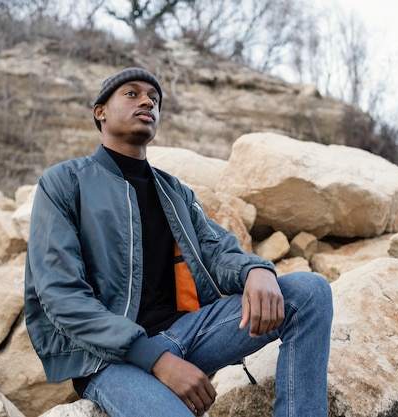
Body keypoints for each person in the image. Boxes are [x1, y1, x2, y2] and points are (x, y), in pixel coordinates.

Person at [24, 67, 333, 417]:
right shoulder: (64, 183)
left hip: (189, 332)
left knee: (309, 292)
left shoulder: (173, 191)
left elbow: (216, 250)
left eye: (154, 99)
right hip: (110, 358)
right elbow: (60, 296)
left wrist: (255, 270)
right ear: (101, 111)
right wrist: (156, 361)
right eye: (132, 93)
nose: (147, 101)